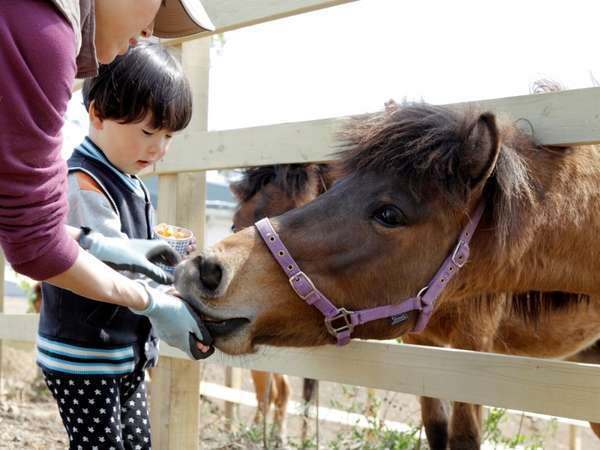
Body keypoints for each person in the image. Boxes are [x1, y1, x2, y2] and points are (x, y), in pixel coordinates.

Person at [0, 2, 215, 359]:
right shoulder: (45, 32)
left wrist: (104, 246)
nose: (150, 31)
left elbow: (21, 221)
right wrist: (152, 302)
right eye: (158, 3)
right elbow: (33, 243)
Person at [38, 43, 203, 449]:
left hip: (118, 354)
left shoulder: (124, 175)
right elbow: (110, 260)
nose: (158, 148)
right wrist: (168, 286)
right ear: (97, 114)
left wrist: (159, 243)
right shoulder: (84, 181)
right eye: (148, 132)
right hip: (83, 357)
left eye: (168, 136)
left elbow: (125, 244)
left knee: (135, 442)